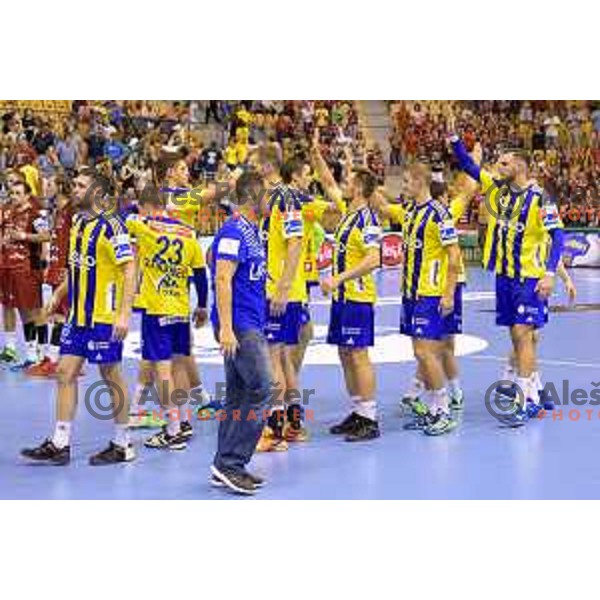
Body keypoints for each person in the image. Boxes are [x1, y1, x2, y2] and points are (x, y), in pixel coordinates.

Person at [449, 118, 564, 425]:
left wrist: (551, 273)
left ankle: (528, 400)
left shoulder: (541, 198)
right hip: (503, 276)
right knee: (520, 339)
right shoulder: (497, 189)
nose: (497, 167)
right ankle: (537, 391)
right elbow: (469, 168)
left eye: (504, 163)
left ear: (521, 166)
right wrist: (454, 138)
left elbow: (559, 238)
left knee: (522, 333)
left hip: (529, 275)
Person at [21, 167, 136, 465]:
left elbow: (130, 269)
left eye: (81, 185)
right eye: (74, 184)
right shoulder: (77, 223)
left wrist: (124, 314)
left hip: (104, 317)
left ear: (97, 192)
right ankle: (60, 443)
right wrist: (59, 294)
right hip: (78, 316)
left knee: (110, 374)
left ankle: (123, 444)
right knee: (64, 372)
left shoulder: (114, 226)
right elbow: (78, 267)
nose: (74, 188)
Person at [374, 162, 462, 435]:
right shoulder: (411, 211)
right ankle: (435, 410)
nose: (404, 186)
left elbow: (454, 255)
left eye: (408, 181)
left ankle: (443, 410)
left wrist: (448, 293)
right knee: (421, 353)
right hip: (410, 293)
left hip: (430, 292)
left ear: (421, 182)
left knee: (426, 352)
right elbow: (383, 207)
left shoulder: (439, 214)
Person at [126, 191, 209, 450]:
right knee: (179, 366)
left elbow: (123, 216)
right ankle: (182, 421)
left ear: (148, 207)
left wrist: (138, 209)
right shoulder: (188, 233)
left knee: (162, 370)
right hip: (181, 309)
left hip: (156, 308)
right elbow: (200, 274)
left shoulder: (144, 225)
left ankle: (172, 431)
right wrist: (203, 305)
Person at [209, 171, 271, 495]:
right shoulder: (234, 231)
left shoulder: (251, 232)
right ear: (252, 198)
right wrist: (228, 329)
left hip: (250, 322)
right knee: (263, 389)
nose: (270, 202)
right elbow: (222, 278)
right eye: (266, 197)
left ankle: (225, 464)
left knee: (239, 394)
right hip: (241, 326)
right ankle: (232, 463)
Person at [316, 155, 383, 442]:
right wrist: (315, 152)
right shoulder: (348, 212)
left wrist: (339, 278)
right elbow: (327, 180)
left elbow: (374, 259)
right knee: (345, 353)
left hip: (358, 298)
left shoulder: (367, 219)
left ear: (357, 188)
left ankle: (370, 417)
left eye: (349, 181)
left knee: (358, 354)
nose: (343, 184)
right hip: (342, 299)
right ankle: (358, 411)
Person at [258, 154, 310, 451]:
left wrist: (282, 287)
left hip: (278, 292)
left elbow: (295, 243)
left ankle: (274, 432)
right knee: (285, 359)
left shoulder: (286, 199)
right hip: (283, 290)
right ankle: (294, 425)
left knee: (273, 357)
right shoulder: (280, 198)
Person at [0, 179, 50, 371]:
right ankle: (30, 354)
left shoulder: (35, 214)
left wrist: (24, 237)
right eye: (12, 193)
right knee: (19, 310)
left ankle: (44, 353)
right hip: (9, 268)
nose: (14, 196)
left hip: (27, 269)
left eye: (18, 193)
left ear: (28, 195)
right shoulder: (10, 213)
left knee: (33, 311)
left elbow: (46, 235)